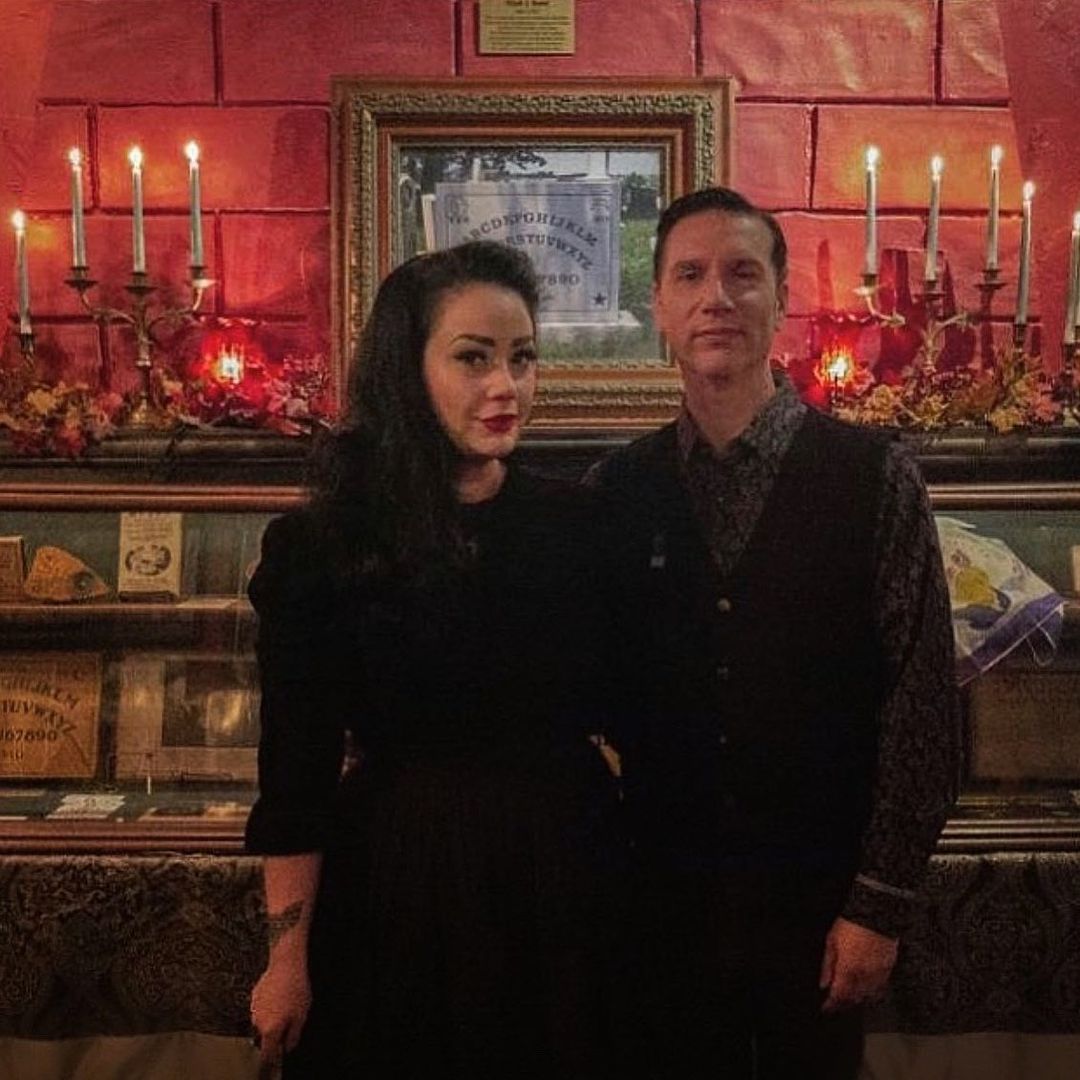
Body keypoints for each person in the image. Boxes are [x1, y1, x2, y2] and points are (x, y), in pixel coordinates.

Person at [587, 187, 960, 1079]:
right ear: (659, 309)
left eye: (742, 273)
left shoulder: (874, 479)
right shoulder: (615, 492)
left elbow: (922, 706)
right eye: (690, 276)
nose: (716, 297)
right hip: (660, 912)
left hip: (821, 909)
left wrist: (877, 905)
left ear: (780, 299)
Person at [246, 240, 622, 1078]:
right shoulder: (324, 544)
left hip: (565, 871)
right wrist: (286, 957)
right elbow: (297, 771)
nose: (507, 385)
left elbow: (636, 709)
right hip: (403, 876)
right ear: (406, 371)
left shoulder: (580, 525)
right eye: (473, 358)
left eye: (523, 358)